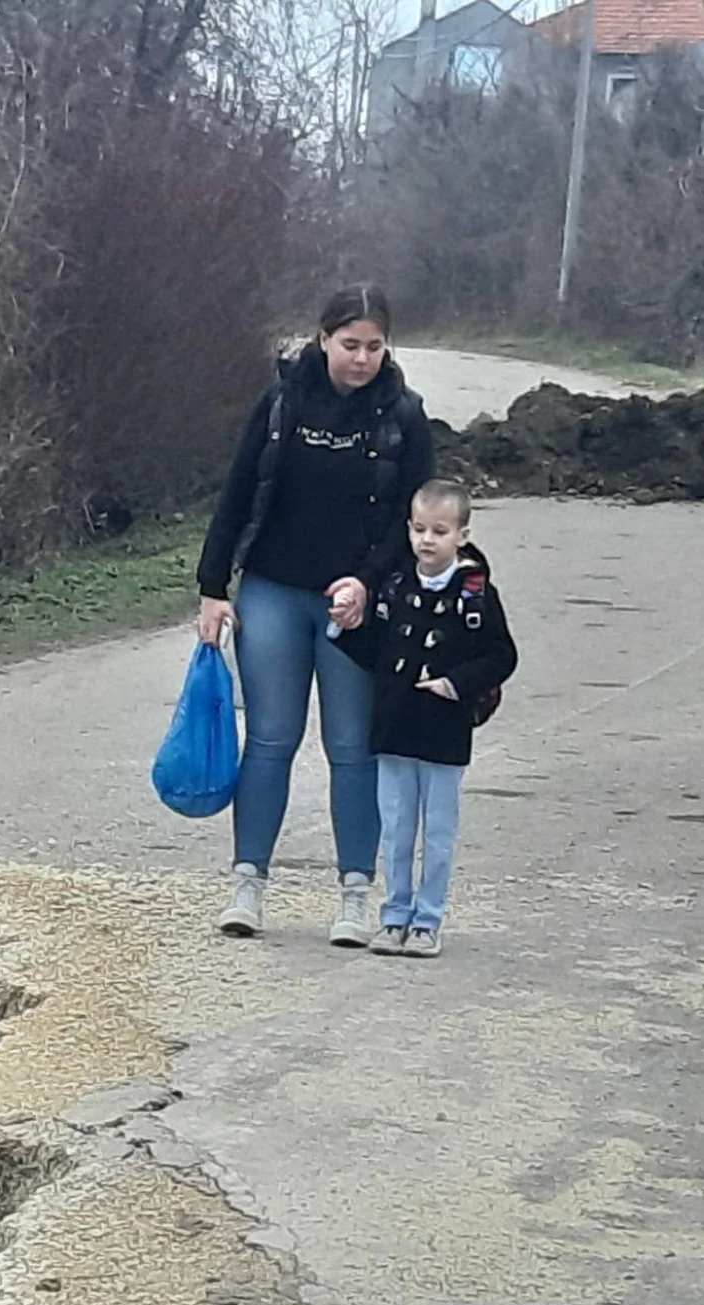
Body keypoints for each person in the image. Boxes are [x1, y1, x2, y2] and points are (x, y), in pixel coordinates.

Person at [197, 283, 434, 944]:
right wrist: (212, 586)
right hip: (272, 588)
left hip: (355, 603)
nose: (360, 358)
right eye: (348, 344)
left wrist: (365, 581)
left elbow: (410, 520)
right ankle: (247, 883)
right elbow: (238, 493)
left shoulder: (403, 415)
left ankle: (355, 893)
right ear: (322, 338)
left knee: (352, 748)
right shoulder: (279, 403)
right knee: (270, 738)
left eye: (373, 346)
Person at [330, 478, 518, 957]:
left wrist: (454, 683)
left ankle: (427, 921)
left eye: (439, 530)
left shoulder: (474, 594)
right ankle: (393, 916)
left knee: (437, 832)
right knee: (395, 829)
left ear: (462, 535)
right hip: (394, 730)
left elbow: (501, 655)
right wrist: (344, 625)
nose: (426, 540)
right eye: (418, 529)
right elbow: (375, 650)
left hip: (443, 733)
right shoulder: (396, 586)